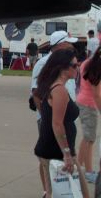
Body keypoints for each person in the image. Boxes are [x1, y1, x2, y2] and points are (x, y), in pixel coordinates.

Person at [34, 48, 89, 198]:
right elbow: (57, 124)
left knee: (56, 193)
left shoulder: (50, 85)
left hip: (51, 150)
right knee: (78, 193)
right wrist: (66, 154)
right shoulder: (59, 90)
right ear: (62, 68)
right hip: (57, 153)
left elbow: (38, 101)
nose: (78, 68)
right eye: (74, 65)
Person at [31, 30, 78, 197]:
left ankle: (49, 191)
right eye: (68, 42)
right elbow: (36, 93)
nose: (72, 46)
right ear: (60, 45)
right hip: (53, 125)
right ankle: (47, 191)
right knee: (51, 168)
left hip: (62, 123)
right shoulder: (44, 63)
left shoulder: (66, 71)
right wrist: (47, 116)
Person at [76, 46, 101, 183]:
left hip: (82, 101)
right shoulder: (96, 68)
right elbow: (97, 95)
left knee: (87, 138)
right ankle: (89, 172)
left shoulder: (87, 63)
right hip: (89, 105)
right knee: (89, 139)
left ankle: (78, 169)